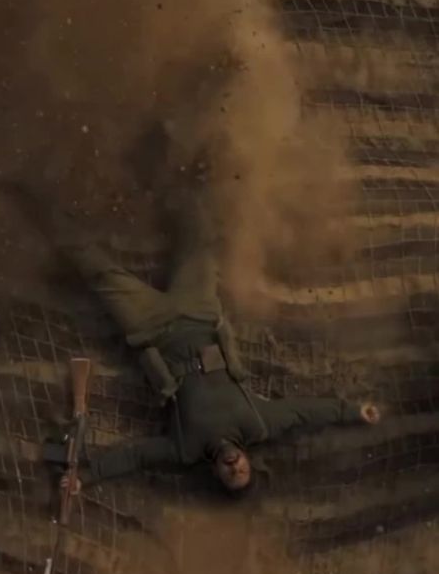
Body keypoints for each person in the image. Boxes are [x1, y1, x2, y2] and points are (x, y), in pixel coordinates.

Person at [43, 210, 381, 496]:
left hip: (151, 327)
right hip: (199, 313)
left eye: (230, 476)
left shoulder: (185, 449)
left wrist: (85, 477)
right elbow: (304, 413)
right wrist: (353, 410)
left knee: (95, 269)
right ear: (248, 460)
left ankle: (41, 211)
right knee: (198, 235)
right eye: (242, 471)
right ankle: (180, 167)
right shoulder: (258, 424)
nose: (234, 469)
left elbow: (136, 456)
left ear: (216, 474)